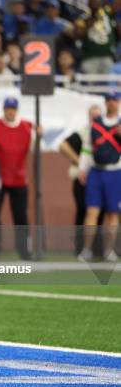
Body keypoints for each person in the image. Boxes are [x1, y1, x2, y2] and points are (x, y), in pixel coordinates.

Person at [0, 97, 33, 260]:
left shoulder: (26, 127)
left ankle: (24, 251)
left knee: (21, 216)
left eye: (13, 108)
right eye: (8, 108)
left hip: (19, 178)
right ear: (4, 109)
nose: (10, 111)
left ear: (16, 110)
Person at [77, 92, 120, 262]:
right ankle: (86, 249)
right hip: (96, 171)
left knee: (113, 213)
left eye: (115, 100)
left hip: (115, 171)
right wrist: (82, 168)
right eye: (108, 100)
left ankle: (109, 250)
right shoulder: (96, 124)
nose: (111, 103)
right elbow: (87, 148)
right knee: (92, 211)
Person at [59, 105, 101, 254]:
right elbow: (63, 145)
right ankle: (80, 248)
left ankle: (97, 248)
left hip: (100, 178)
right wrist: (79, 162)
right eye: (93, 117)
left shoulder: (105, 133)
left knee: (99, 214)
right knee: (83, 212)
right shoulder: (83, 133)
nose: (95, 120)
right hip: (83, 179)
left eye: (98, 117)